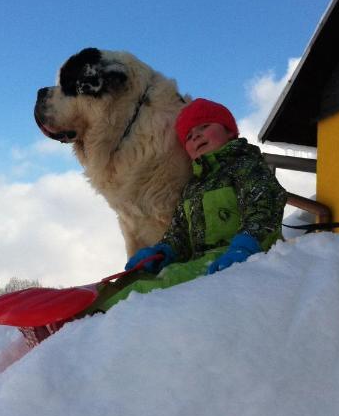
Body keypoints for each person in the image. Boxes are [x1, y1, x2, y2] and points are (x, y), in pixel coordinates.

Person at [94, 98, 287, 312]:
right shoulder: (193, 187)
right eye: (188, 135)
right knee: (135, 279)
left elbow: (265, 206)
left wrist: (246, 247)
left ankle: (96, 317)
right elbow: (180, 233)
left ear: (230, 131)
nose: (196, 135)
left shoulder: (245, 166)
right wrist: (162, 252)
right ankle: (83, 304)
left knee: (152, 288)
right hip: (204, 262)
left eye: (205, 127)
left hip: (245, 258)